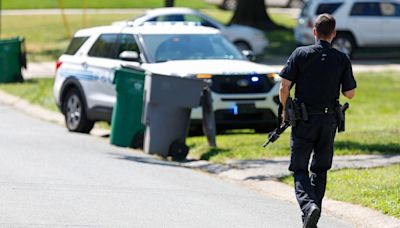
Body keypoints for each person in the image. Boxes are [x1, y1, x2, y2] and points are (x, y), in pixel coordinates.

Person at [279, 14, 357, 228]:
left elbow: (284, 87)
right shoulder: (341, 58)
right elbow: (349, 94)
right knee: (320, 169)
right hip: (329, 121)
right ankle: (312, 215)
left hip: (304, 121)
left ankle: (308, 207)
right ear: (333, 34)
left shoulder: (300, 54)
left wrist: (285, 110)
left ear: (314, 32)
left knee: (300, 169)